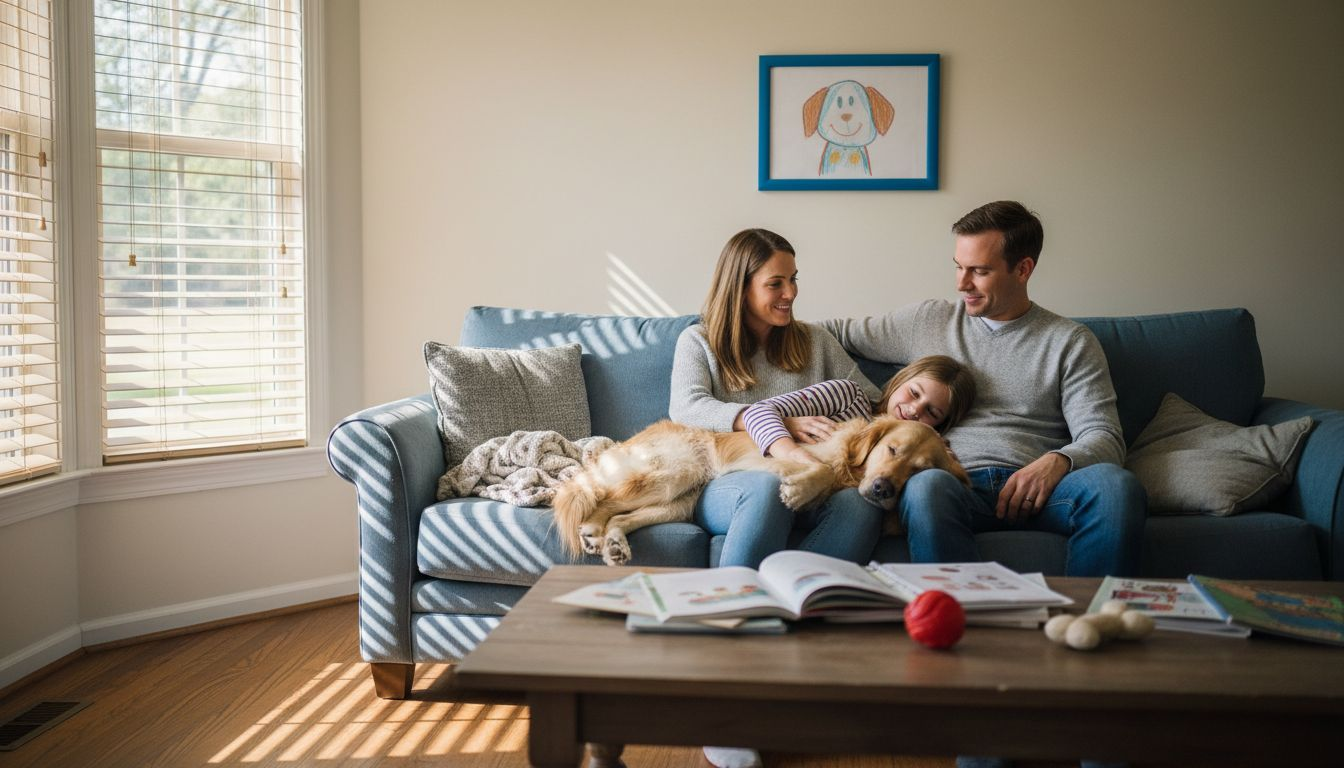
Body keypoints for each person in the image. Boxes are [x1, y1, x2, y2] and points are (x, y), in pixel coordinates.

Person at [824, 201, 1144, 768]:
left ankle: (1089, 666)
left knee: (1117, 487)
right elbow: (827, 334)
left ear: (1023, 269)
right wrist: (826, 405)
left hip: (1041, 484)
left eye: (979, 271)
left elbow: (1104, 435)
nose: (961, 284)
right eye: (957, 266)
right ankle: (974, 691)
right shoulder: (929, 320)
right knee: (922, 491)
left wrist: (1059, 461)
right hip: (953, 480)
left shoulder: (1069, 342)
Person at [672, 227, 897, 768]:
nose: (790, 294)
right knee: (769, 485)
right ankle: (725, 698)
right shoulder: (698, 342)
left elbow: (867, 398)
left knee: (865, 498)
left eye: (794, 280)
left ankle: (791, 667)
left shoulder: (814, 341)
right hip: (726, 478)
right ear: (740, 286)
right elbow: (687, 409)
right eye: (776, 283)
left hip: (817, 480)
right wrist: (778, 423)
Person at [740, 354, 976, 465]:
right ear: (900, 379)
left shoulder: (911, 453)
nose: (915, 410)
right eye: (914, 393)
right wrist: (796, 455)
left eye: (931, 413)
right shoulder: (847, 396)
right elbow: (756, 412)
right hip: (774, 472)